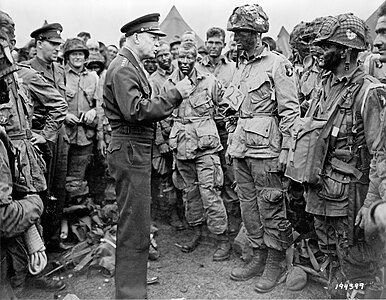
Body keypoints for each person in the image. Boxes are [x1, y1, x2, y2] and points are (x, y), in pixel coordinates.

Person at [293, 13, 384, 298]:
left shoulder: (370, 92)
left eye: (327, 46)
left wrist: (369, 204)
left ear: (345, 51)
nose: (319, 52)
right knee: (330, 256)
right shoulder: (326, 86)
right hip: (322, 192)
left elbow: (381, 154)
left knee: (356, 264)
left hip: (350, 199)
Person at [103, 13, 192, 299]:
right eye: (153, 38)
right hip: (130, 148)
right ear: (136, 37)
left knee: (137, 224)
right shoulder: (124, 68)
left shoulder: (129, 65)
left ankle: (132, 289)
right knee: (134, 226)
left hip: (133, 148)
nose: (157, 44)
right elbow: (136, 111)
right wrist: (175, 94)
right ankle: (130, 294)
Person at [226, 4, 299, 293]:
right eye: (236, 32)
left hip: (268, 149)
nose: (237, 38)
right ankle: (257, 254)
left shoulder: (278, 64)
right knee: (248, 206)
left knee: (270, 205)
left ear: (257, 33)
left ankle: (276, 260)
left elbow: (290, 111)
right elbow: (237, 107)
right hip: (242, 147)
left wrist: (287, 150)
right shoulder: (241, 65)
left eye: (242, 32)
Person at [0, 10, 66, 294]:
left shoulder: (22, 75)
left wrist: (43, 135)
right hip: (4, 155)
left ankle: (35, 271)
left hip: (23, 156)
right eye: (7, 40)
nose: (10, 46)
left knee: (31, 215)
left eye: (11, 40)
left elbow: (58, 106)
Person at [165, 41, 231, 260]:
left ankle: (222, 238)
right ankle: (196, 231)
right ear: (176, 59)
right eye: (181, 59)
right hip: (182, 145)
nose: (184, 63)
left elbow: (227, 105)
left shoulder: (209, 81)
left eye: (189, 59)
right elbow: (163, 114)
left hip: (206, 146)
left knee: (210, 191)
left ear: (196, 59)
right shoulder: (170, 84)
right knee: (189, 193)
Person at [26, 22, 69, 251]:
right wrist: (44, 135)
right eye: (53, 44)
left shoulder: (59, 70)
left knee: (58, 189)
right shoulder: (27, 71)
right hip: (40, 137)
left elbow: (62, 105)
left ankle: (52, 239)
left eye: (59, 44)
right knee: (42, 190)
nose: (57, 48)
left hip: (60, 137)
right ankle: (38, 244)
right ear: (39, 43)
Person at [196, 27, 239, 234]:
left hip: (225, 129)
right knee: (209, 178)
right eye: (210, 42)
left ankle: (230, 223)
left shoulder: (232, 68)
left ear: (224, 44)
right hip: (204, 133)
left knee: (229, 175)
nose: (213, 47)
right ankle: (211, 224)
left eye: (217, 43)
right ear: (205, 43)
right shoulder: (197, 68)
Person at [148, 41, 184, 230]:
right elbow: (153, 111)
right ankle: (172, 214)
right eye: (160, 55)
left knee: (183, 173)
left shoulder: (181, 72)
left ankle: (185, 211)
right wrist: (160, 141)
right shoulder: (153, 80)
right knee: (165, 177)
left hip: (183, 132)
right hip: (164, 132)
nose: (164, 58)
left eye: (166, 54)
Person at [62, 38, 98, 214]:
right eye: (73, 54)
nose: (77, 57)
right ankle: (60, 221)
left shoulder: (94, 78)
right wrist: (64, 115)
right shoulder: (59, 75)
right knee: (60, 178)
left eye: (80, 54)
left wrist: (94, 111)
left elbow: (103, 104)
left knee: (78, 179)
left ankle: (74, 218)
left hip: (85, 136)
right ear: (67, 57)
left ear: (86, 58)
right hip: (64, 134)